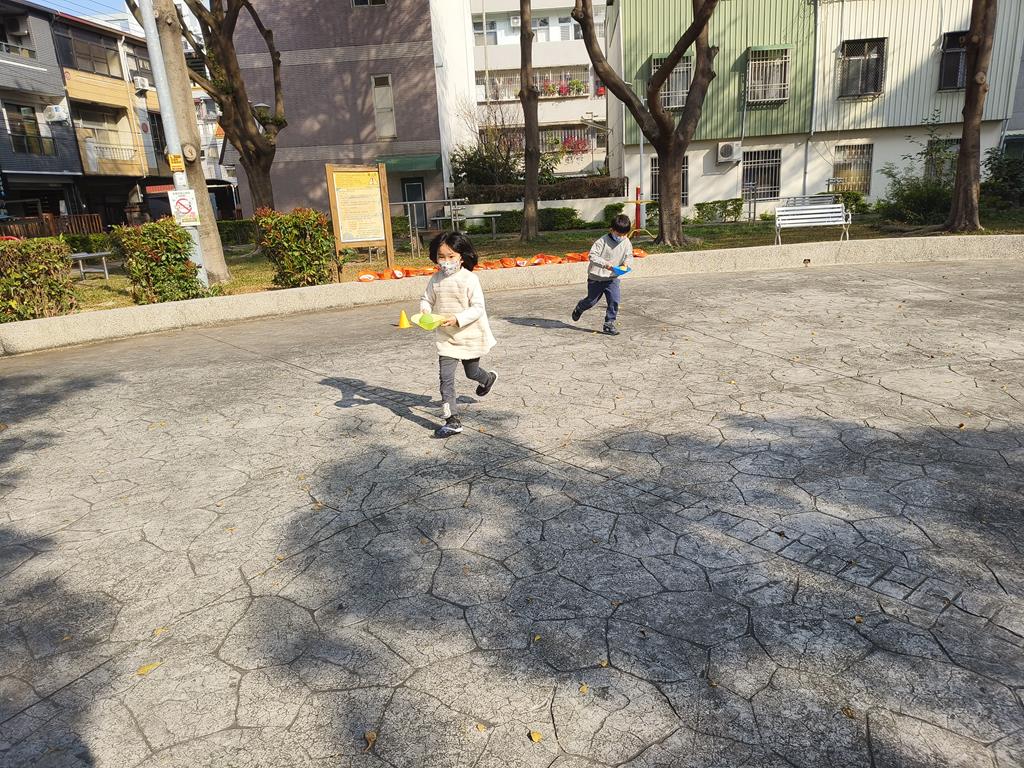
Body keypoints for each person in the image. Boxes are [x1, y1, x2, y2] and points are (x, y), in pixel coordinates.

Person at [420, 231, 498, 438]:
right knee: (445, 379)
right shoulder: (435, 279)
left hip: (469, 335)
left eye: (451, 256)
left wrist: (457, 318)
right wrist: (425, 310)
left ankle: (488, 379)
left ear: (462, 257)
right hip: (446, 338)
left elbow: (478, 308)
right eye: (441, 257)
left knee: (472, 372)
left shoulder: (470, 279)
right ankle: (451, 420)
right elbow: (426, 299)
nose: (446, 261)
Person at [570, 213, 633, 336]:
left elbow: (629, 255)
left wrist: (626, 264)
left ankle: (609, 323)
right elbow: (592, 256)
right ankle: (580, 307)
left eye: (624, 234)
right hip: (596, 278)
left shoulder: (626, 242)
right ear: (612, 230)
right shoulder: (602, 241)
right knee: (591, 301)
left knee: (614, 300)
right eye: (619, 234)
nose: (621, 237)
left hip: (612, 278)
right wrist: (605, 264)